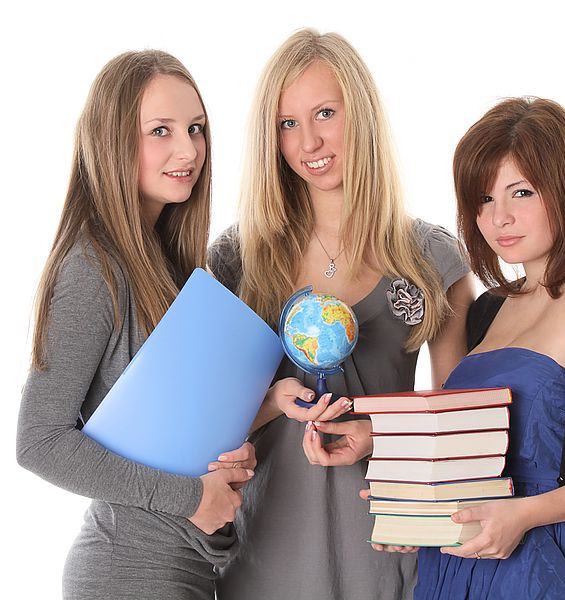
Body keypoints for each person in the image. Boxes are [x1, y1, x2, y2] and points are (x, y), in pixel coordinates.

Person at [207, 28, 474, 600]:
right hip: (265, 564)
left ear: (362, 114)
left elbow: (465, 428)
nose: (309, 141)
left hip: (389, 563)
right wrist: (271, 403)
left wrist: (380, 436)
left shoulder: (432, 257)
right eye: (287, 123)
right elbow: (201, 425)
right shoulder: (236, 259)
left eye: (325, 112)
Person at [369, 96, 565, 599]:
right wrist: (414, 508)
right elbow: (466, 443)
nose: (499, 217)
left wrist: (526, 514)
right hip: (458, 559)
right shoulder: (488, 308)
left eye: (521, 192)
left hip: (546, 560)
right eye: (484, 199)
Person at [16, 50, 258, 600]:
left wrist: (239, 444)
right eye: (160, 131)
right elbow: (39, 440)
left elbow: (167, 427)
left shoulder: (169, 266)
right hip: (126, 572)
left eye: (195, 129)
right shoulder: (90, 268)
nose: (187, 150)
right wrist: (190, 497)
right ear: (111, 140)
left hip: (187, 569)